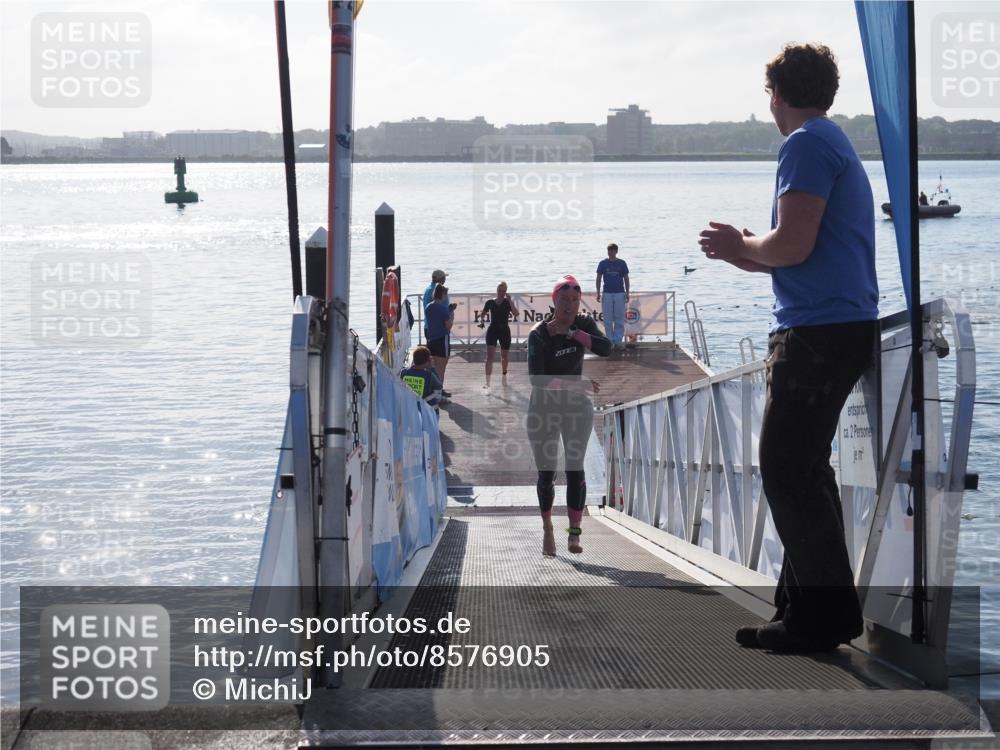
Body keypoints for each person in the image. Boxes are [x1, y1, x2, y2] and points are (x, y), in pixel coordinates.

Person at [698, 43, 879, 654]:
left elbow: (793, 247)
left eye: (768, 95)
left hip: (818, 334)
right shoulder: (832, 141)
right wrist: (746, 248)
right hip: (834, 326)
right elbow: (796, 251)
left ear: (776, 94)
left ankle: (823, 618)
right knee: (804, 469)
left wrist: (741, 245)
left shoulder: (803, 144)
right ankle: (803, 610)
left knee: (785, 468)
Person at [527, 274, 612, 557]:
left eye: (575, 301)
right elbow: (537, 380)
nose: (570, 306)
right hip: (543, 409)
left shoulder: (583, 324)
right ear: (554, 302)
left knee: (575, 469)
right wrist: (576, 384)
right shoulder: (538, 334)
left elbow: (606, 347)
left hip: (575, 408)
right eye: (564, 300)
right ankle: (548, 528)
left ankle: (574, 534)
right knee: (546, 475)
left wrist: (574, 334)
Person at [478, 281, 518, 388]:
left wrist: (510, 300)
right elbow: (482, 314)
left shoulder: (507, 302)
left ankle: (504, 373)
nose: (501, 293)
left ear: (506, 292)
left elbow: (516, 313)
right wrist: (481, 321)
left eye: (503, 291)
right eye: (500, 290)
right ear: (497, 290)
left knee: (504, 356)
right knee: (489, 356)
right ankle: (487, 382)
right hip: (493, 330)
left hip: (504, 330)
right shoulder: (490, 302)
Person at [595, 243, 630, 350]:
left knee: (619, 318)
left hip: (619, 293)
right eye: (609, 250)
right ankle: (610, 341)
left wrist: (627, 292)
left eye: (612, 250)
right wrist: (598, 292)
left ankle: (618, 341)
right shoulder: (602, 263)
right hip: (607, 293)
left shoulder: (622, 263)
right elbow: (598, 278)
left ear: (616, 251)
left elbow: (626, 278)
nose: (610, 252)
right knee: (607, 319)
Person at [424, 284, 453, 404]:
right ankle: (440, 396)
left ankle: (434, 393)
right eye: (445, 294)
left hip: (431, 340)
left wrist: (448, 311)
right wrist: (451, 315)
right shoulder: (442, 309)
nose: (446, 297)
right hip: (442, 339)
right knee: (441, 369)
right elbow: (448, 326)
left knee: (433, 368)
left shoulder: (428, 307)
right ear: (442, 294)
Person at [400, 346, 443, 411]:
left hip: (409, 409)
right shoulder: (429, 375)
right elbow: (439, 388)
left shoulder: (403, 373)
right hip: (428, 410)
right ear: (427, 362)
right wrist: (432, 368)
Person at [422, 269, 447, 339]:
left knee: (431, 348)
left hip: (428, 327)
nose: (445, 280)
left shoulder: (427, 289)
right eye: (444, 278)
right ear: (440, 279)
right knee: (441, 349)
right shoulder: (438, 291)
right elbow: (443, 309)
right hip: (438, 329)